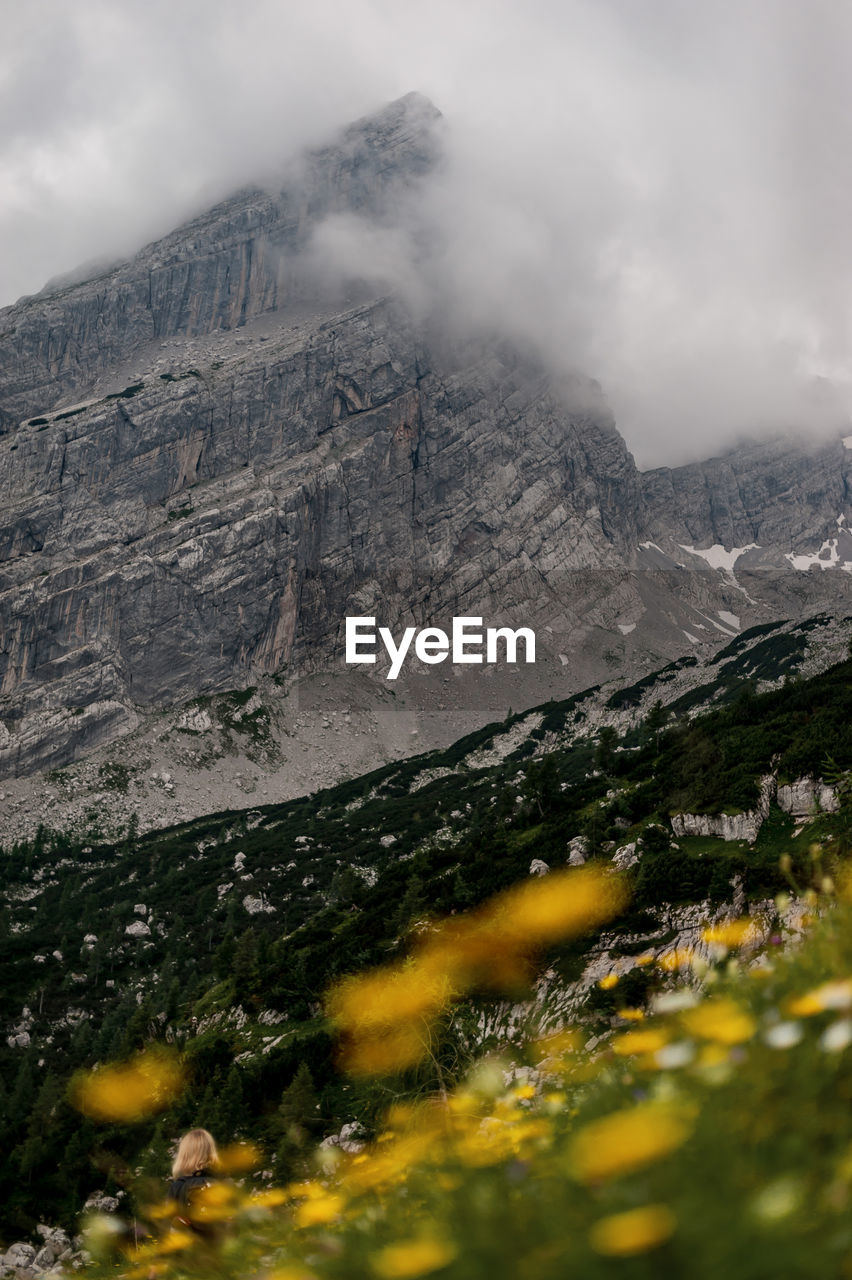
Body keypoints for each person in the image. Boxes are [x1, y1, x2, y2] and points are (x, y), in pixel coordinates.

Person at [167, 1129, 220, 1234]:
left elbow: (170, 1223)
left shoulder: (178, 1186)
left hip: (190, 1246)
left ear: (184, 1155)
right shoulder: (220, 1184)